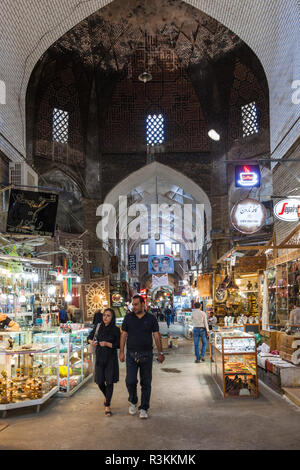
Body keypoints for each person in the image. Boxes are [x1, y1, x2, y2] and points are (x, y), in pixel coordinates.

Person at [119, 295, 165, 419]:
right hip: (131, 354)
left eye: (136, 304)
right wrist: (121, 351)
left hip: (147, 355)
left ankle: (144, 407)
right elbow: (123, 335)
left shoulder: (151, 319)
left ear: (143, 304)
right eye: (132, 304)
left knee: (146, 382)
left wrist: (160, 353)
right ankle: (133, 401)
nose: (133, 307)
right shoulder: (128, 318)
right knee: (130, 381)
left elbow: (156, 336)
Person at [88, 308, 120, 417]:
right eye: (104, 315)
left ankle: (107, 405)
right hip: (100, 358)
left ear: (112, 318)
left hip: (111, 359)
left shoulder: (115, 330)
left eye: (108, 316)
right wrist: (91, 341)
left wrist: (106, 343)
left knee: (109, 382)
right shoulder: (98, 327)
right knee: (100, 382)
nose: (105, 318)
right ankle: (107, 396)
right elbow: (89, 337)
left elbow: (118, 345)